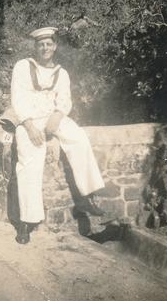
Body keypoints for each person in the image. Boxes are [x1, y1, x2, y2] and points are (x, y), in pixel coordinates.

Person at [11, 27, 106, 244]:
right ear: (36, 47)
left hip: (53, 117)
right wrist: (29, 126)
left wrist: (56, 118)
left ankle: (90, 195)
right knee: (29, 159)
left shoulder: (62, 73)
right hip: (29, 120)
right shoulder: (22, 67)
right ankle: (26, 222)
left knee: (79, 139)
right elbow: (17, 98)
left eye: (49, 44)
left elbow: (64, 100)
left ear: (55, 46)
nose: (45, 48)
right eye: (41, 44)